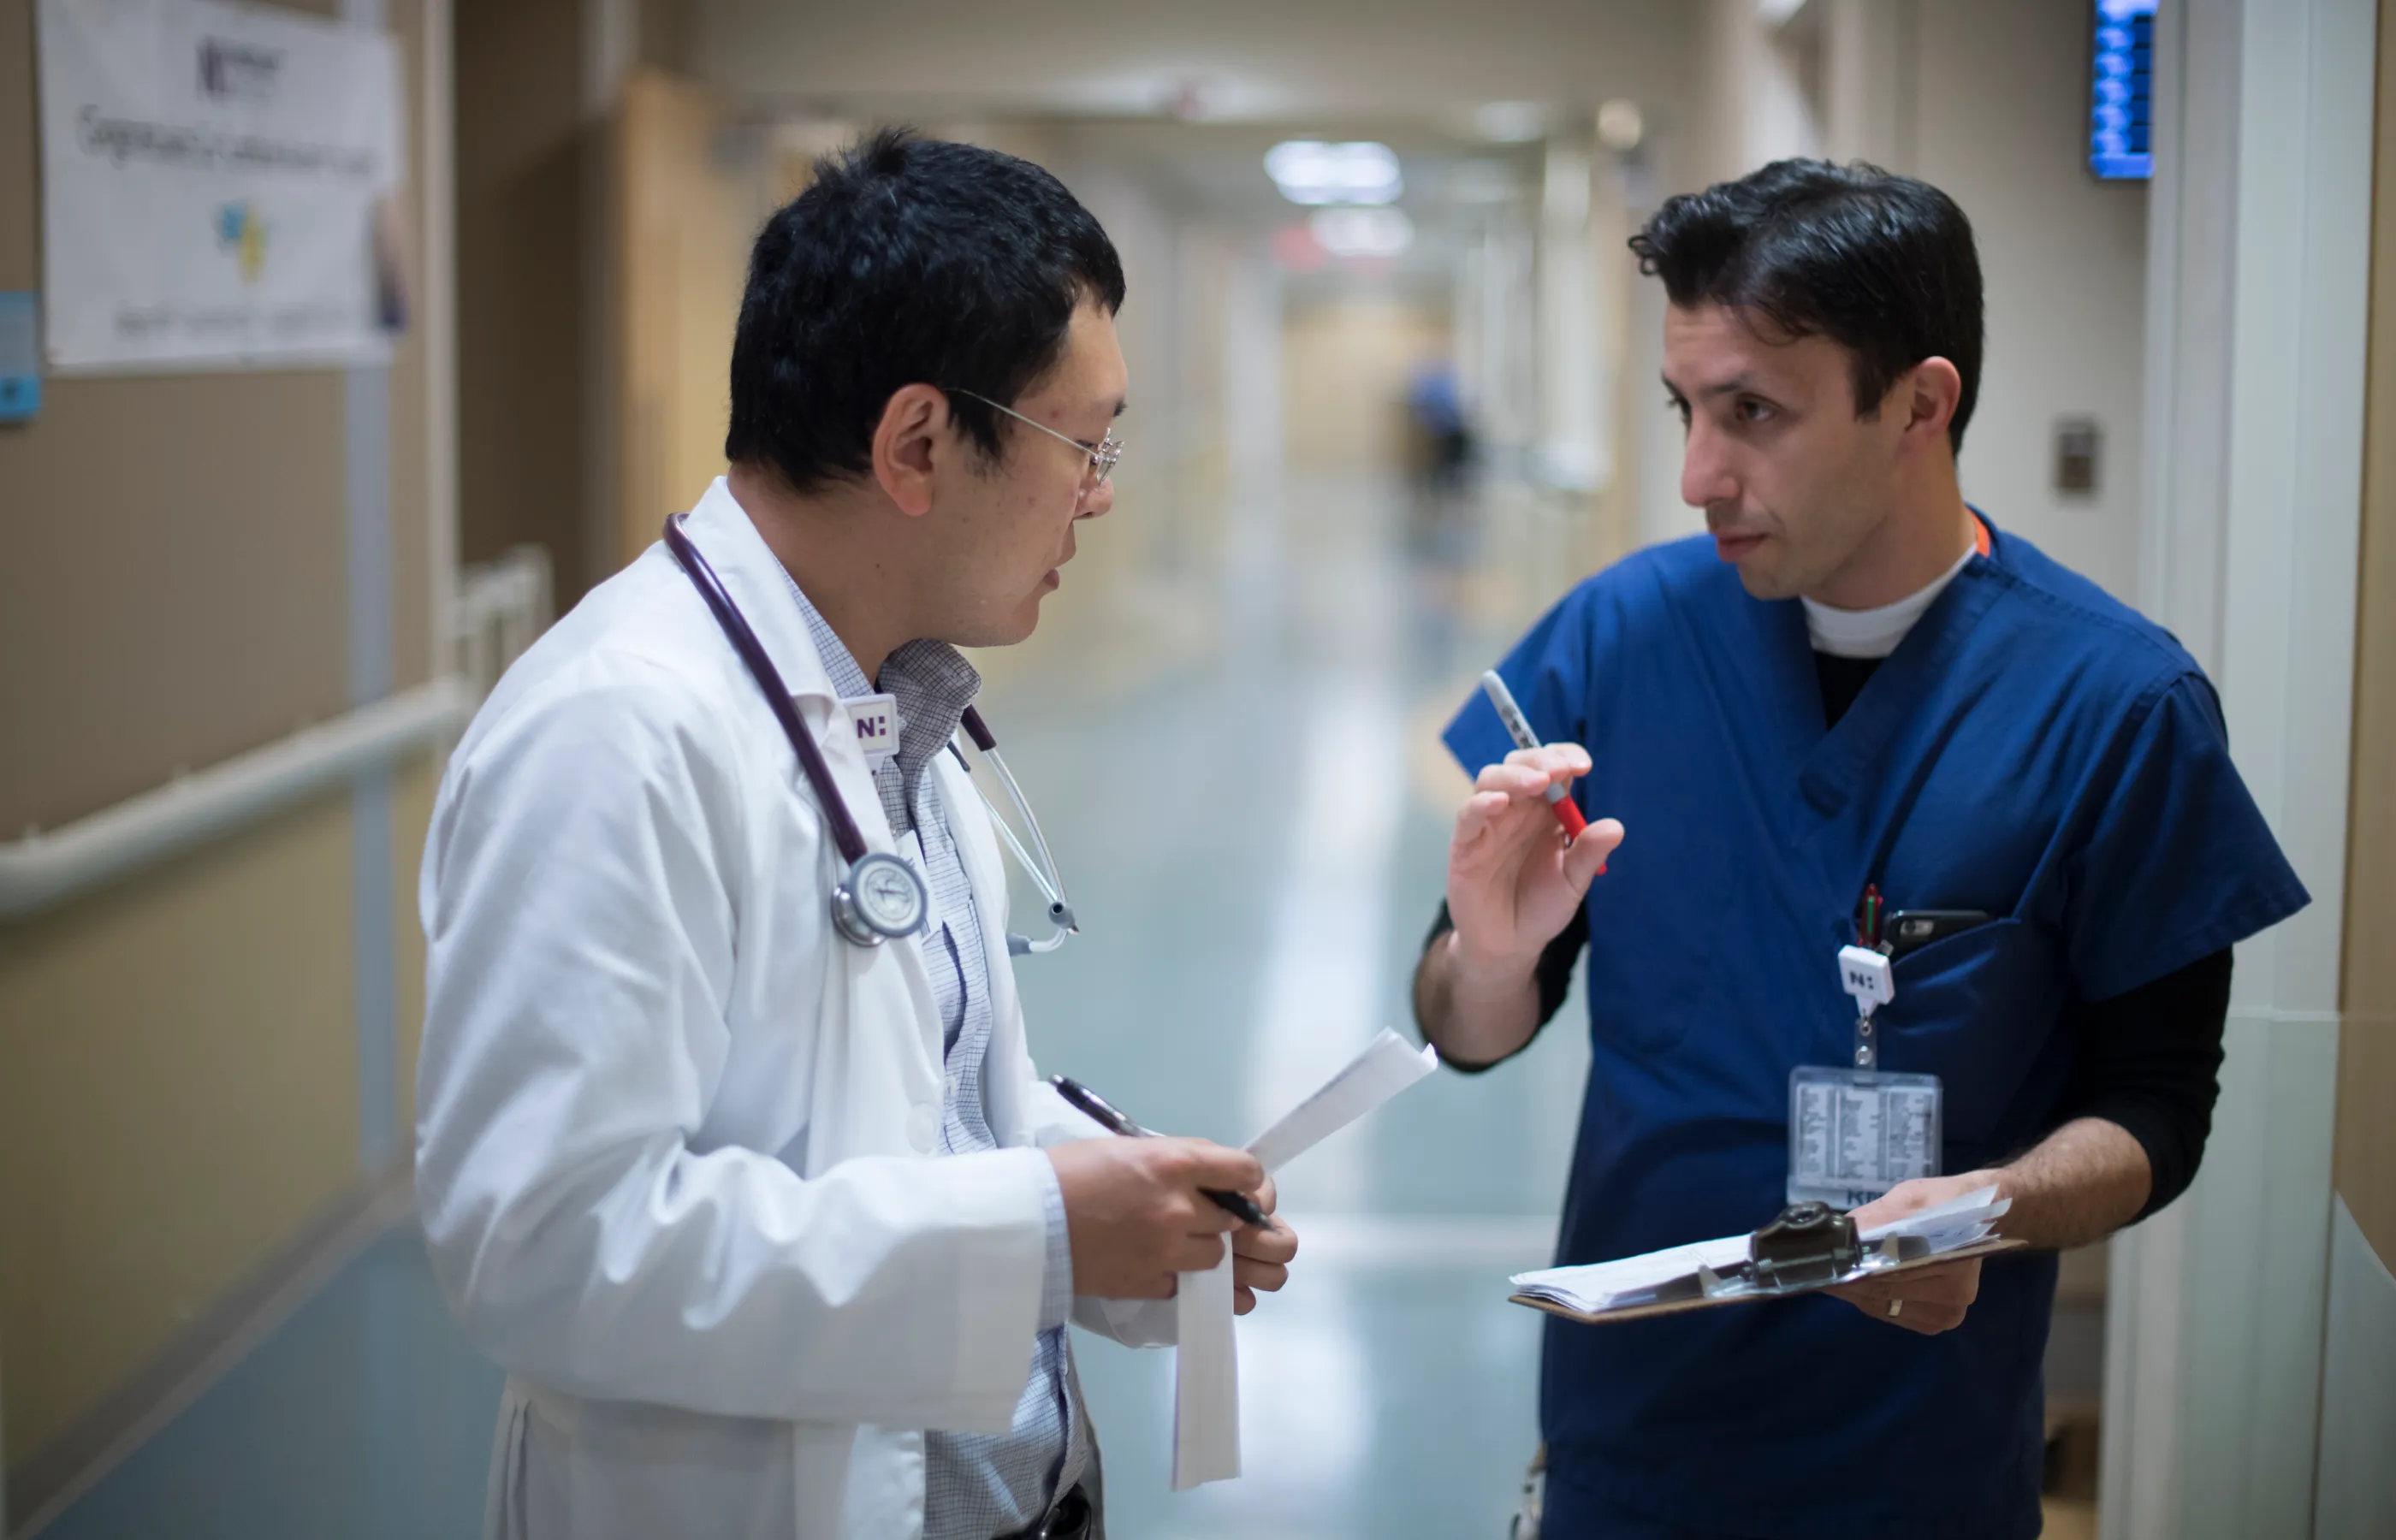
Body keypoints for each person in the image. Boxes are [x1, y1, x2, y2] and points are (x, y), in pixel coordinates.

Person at [415, 129, 1299, 1540]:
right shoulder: (616, 733)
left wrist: (1122, 1200)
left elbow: (909, 1108)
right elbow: (545, 1249)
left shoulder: (889, 704)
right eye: (1086, 442)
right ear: (917, 443)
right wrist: (1042, 1236)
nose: (1104, 491)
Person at [1412, 159, 2310, 1540]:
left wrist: (1998, 1207)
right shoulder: (1623, 636)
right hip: (1626, 1440)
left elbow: (2160, 1107)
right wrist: (1489, 954)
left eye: (1755, 413)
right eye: (1688, 410)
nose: (1701, 473)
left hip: (1919, 1458)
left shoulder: (2115, 706)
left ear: (1921, 403)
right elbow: (1471, 1032)